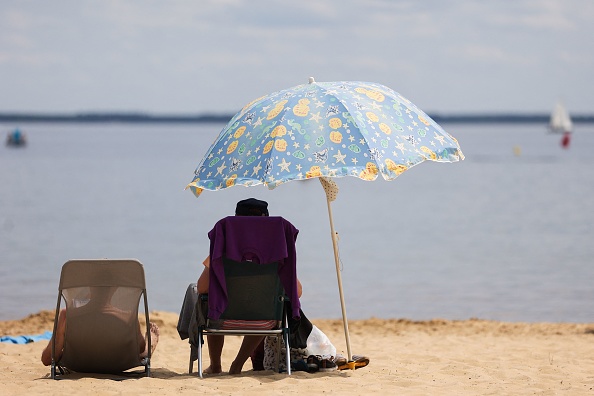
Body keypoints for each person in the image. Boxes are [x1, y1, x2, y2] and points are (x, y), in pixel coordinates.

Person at [41, 286, 159, 367]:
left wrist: (59, 334)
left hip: (79, 365)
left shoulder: (67, 315)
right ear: (115, 289)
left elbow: (47, 359)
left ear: (89, 287)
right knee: (144, 353)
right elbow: (140, 348)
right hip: (117, 365)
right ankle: (151, 342)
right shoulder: (128, 317)